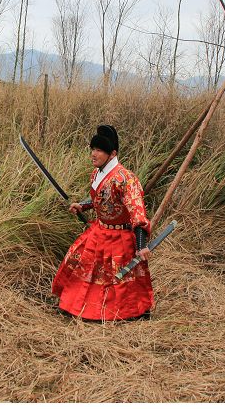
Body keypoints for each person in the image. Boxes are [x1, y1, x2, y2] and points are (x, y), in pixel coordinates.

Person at [52, 125, 154, 321]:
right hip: (100, 231)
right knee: (81, 265)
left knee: (118, 282)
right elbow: (101, 198)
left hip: (120, 238)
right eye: (93, 149)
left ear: (112, 153)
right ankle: (79, 306)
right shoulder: (97, 173)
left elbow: (137, 212)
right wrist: (83, 206)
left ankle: (119, 313)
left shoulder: (126, 179)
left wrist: (141, 245)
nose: (93, 154)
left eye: (99, 150)